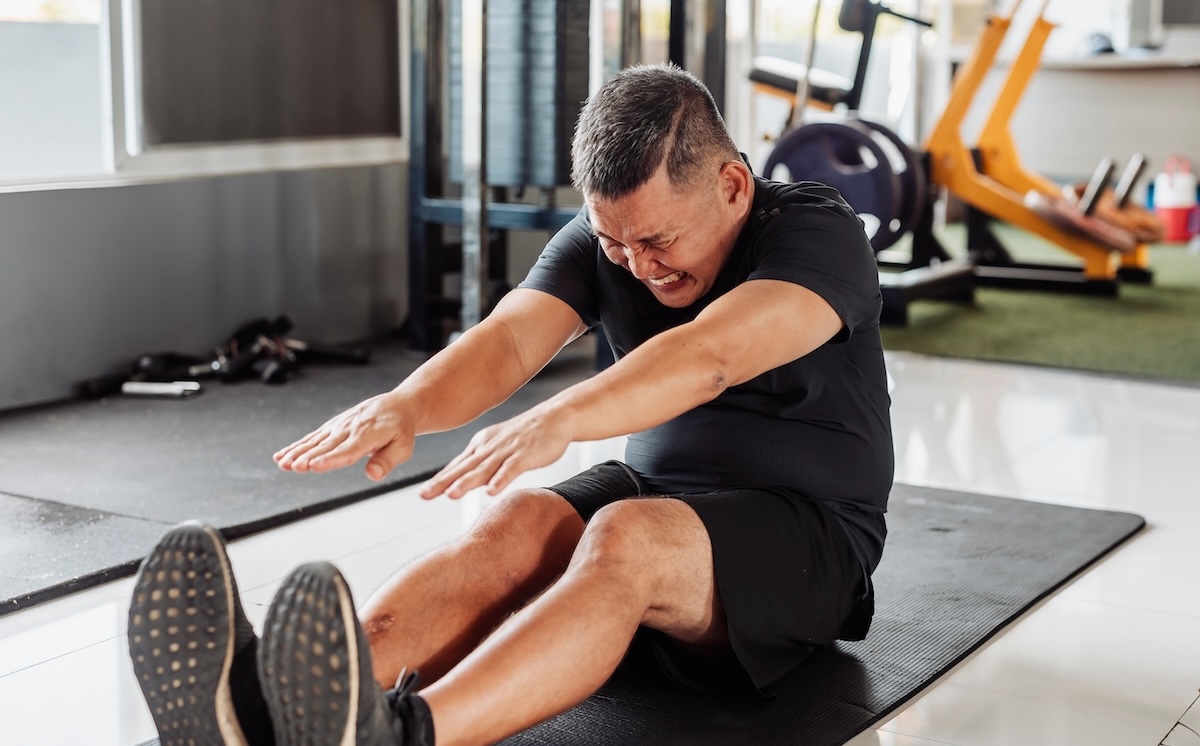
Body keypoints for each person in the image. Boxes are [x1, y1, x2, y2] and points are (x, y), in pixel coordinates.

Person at [128, 62, 893, 746]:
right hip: (667, 502)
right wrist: (407, 405)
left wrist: (558, 417)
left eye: (657, 241)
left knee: (626, 532)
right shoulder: (613, 243)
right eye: (616, 244)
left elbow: (708, 357)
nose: (637, 265)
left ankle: (401, 734)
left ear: (731, 185)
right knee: (515, 523)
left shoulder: (815, 233)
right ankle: (265, 710)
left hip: (810, 541)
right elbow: (509, 340)